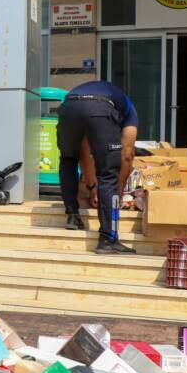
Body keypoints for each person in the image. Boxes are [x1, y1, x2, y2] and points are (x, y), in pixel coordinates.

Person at [57, 80, 138, 254]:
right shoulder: (130, 110)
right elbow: (127, 154)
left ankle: (72, 216)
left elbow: (84, 151)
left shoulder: (102, 94)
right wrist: (118, 191)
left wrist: (93, 187)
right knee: (108, 174)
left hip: (68, 106)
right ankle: (108, 238)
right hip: (99, 109)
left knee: (68, 159)